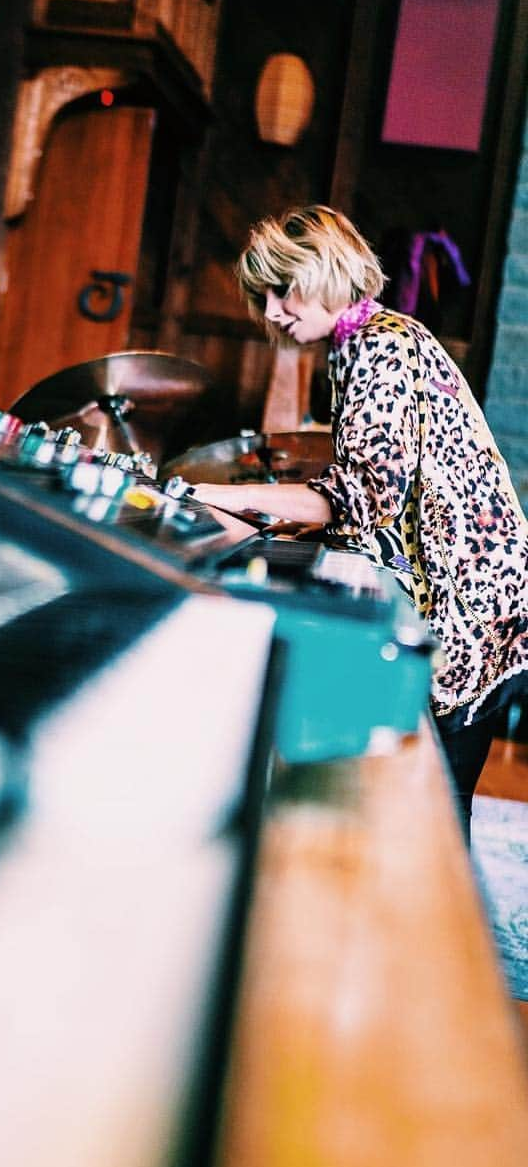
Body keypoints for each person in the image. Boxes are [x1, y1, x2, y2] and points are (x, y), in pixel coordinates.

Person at [183, 204, 528, 837]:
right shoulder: (365, 342)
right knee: (430, 804)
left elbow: (357, 500)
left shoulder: (380, 349)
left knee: (432, 816)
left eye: (283, 289)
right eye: (263, 295)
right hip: (484, 595)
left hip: (468, 603)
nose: (272, 311)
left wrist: (213, 495)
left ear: (329, 274)